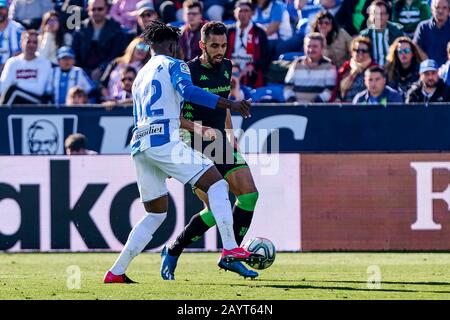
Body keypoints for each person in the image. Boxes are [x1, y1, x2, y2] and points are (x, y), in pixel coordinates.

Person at [104, 21, 260, 284]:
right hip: (167, 139)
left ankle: (116, 272)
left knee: (155, 214)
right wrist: (230, 103)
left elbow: (137, 114)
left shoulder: (140, 75)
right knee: (219, 186)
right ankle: (231, 248)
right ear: (174, 45)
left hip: (141, 144)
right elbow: (188, 91)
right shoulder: (176, 65)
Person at [161, 21, 260, 280]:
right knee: (215, 210)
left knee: (249, 194)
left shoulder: (226, 67)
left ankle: (231, 254)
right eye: (214, 46)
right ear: (202, 45)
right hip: (194, 144)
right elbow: (174, 115)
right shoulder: (187, 71)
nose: (220, 51)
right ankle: (174, 249)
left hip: (220, 143)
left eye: (223, 45)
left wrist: (230, 135)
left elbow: (224, 105)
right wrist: (195, 132)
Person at [71, 0, 126, 81]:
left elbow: (116, 55)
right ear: (88, 10)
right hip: (82, 74)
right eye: (93, 9)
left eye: (100, 9)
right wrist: (85, 72)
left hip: (108, 75)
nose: (96, 12)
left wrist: (102, 68)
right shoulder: (80, 29)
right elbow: (74, 55)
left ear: (106, 9)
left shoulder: (116, 30)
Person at [0, 29, 53, 105]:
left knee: (13, 90)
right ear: (21, 43)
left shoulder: (44, 63)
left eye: (35, 42)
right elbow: (3, 88)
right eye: (28, 42)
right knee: (12, 92)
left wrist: (17, 84)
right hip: (14, 99)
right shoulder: (12, 62)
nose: (32, 45)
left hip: (37, 101)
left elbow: (39, 89)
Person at [226, 0, 269, 89]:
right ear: (235, 13)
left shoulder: (259, 32)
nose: (243, 14)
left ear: (252, 13)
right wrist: (231, 64)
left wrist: (253, 65)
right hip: (231, 70)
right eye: (240, 11)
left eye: (246, 11)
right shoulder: (228, 31)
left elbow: (266, 57)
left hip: (251, 73)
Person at [284, 32, 337, 103]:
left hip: (317, 109)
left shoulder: (329, 65)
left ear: (322, 48)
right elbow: (287, 86)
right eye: (308, 46)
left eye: (315, 46)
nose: (311, 49)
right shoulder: (297, 63)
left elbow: (329, 90)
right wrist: (293, 102)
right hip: (295, 108)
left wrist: (311, 105)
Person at [100, 37, 150, 102]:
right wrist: (109, 99)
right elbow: (102, 84)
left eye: (146, 47)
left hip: (131, 104)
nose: (142, 50)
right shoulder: (116, 62)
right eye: (140, 46)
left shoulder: (147, 68)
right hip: (110, 105)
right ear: (133, 46)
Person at [331, 36, 377, 102]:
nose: (360, 53)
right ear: (352, 52)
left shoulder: (375, 69)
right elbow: (337, 91)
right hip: (346, 107)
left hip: (366, 106)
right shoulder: (345, 69)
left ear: (369, 53)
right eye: (357, 50)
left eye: (364, 51)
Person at [359, 0, 405, 66]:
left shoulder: (397, 31)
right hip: (372, 71)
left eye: (381, 14)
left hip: (393, 70)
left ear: (387, 16)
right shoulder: (364, 35)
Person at [413, 0, 450, 66]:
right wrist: (429, 64)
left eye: (444, 8)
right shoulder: (423, 27)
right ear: (431, 10)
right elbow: (415, 46)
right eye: (437, 7)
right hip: (426, 70)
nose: (440, 11)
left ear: (449, 10)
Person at [0, 0, 24, 75]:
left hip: (14, 71)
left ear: (8, 10)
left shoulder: (18, 29)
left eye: (2, 8)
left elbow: (22, 52)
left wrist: (6, 66)